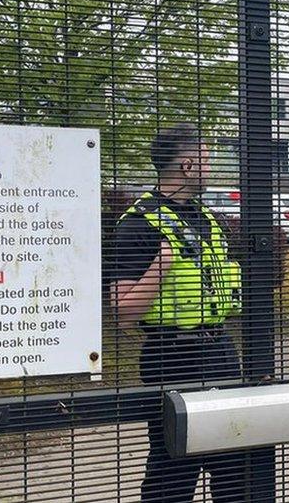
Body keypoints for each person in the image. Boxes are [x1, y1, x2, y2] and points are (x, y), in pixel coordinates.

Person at [110, 123, 245, 503]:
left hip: (219, 349)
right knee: (175, 465)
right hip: (172, 357)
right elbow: (121, 312)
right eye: (206, 158)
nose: (210, 166)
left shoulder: (205, 218)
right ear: (188, 165)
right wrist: (160, 267)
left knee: (235, 460)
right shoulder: (138, 225)